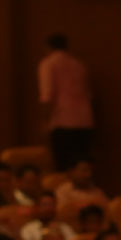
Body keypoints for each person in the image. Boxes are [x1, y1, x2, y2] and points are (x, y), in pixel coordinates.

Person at [37, 34, 94, 170]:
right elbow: (89, 93)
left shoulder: (49, 64)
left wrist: (45, 121)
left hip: (62, 120)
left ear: (48, 47)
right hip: (84, 120)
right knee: (82, 164)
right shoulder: (78, 64)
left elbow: (47, 95)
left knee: (63, 165)